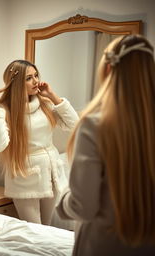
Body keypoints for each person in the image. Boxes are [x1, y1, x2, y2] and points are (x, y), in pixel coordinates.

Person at [56, 34, 155, 256]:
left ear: (109, 70)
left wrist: (62, 199)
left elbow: (84, 206)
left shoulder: (95, 125)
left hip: (103, 244)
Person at [0, 59, 79, 225]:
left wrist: (53, 96)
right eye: (29, 78)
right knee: (34, 228)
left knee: (48, 228)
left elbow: (75, 125)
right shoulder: (5, 110)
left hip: (51, 173)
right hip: (25, 175)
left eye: (36, 75)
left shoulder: (45, 104)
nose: (36, 81)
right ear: (17, 83)